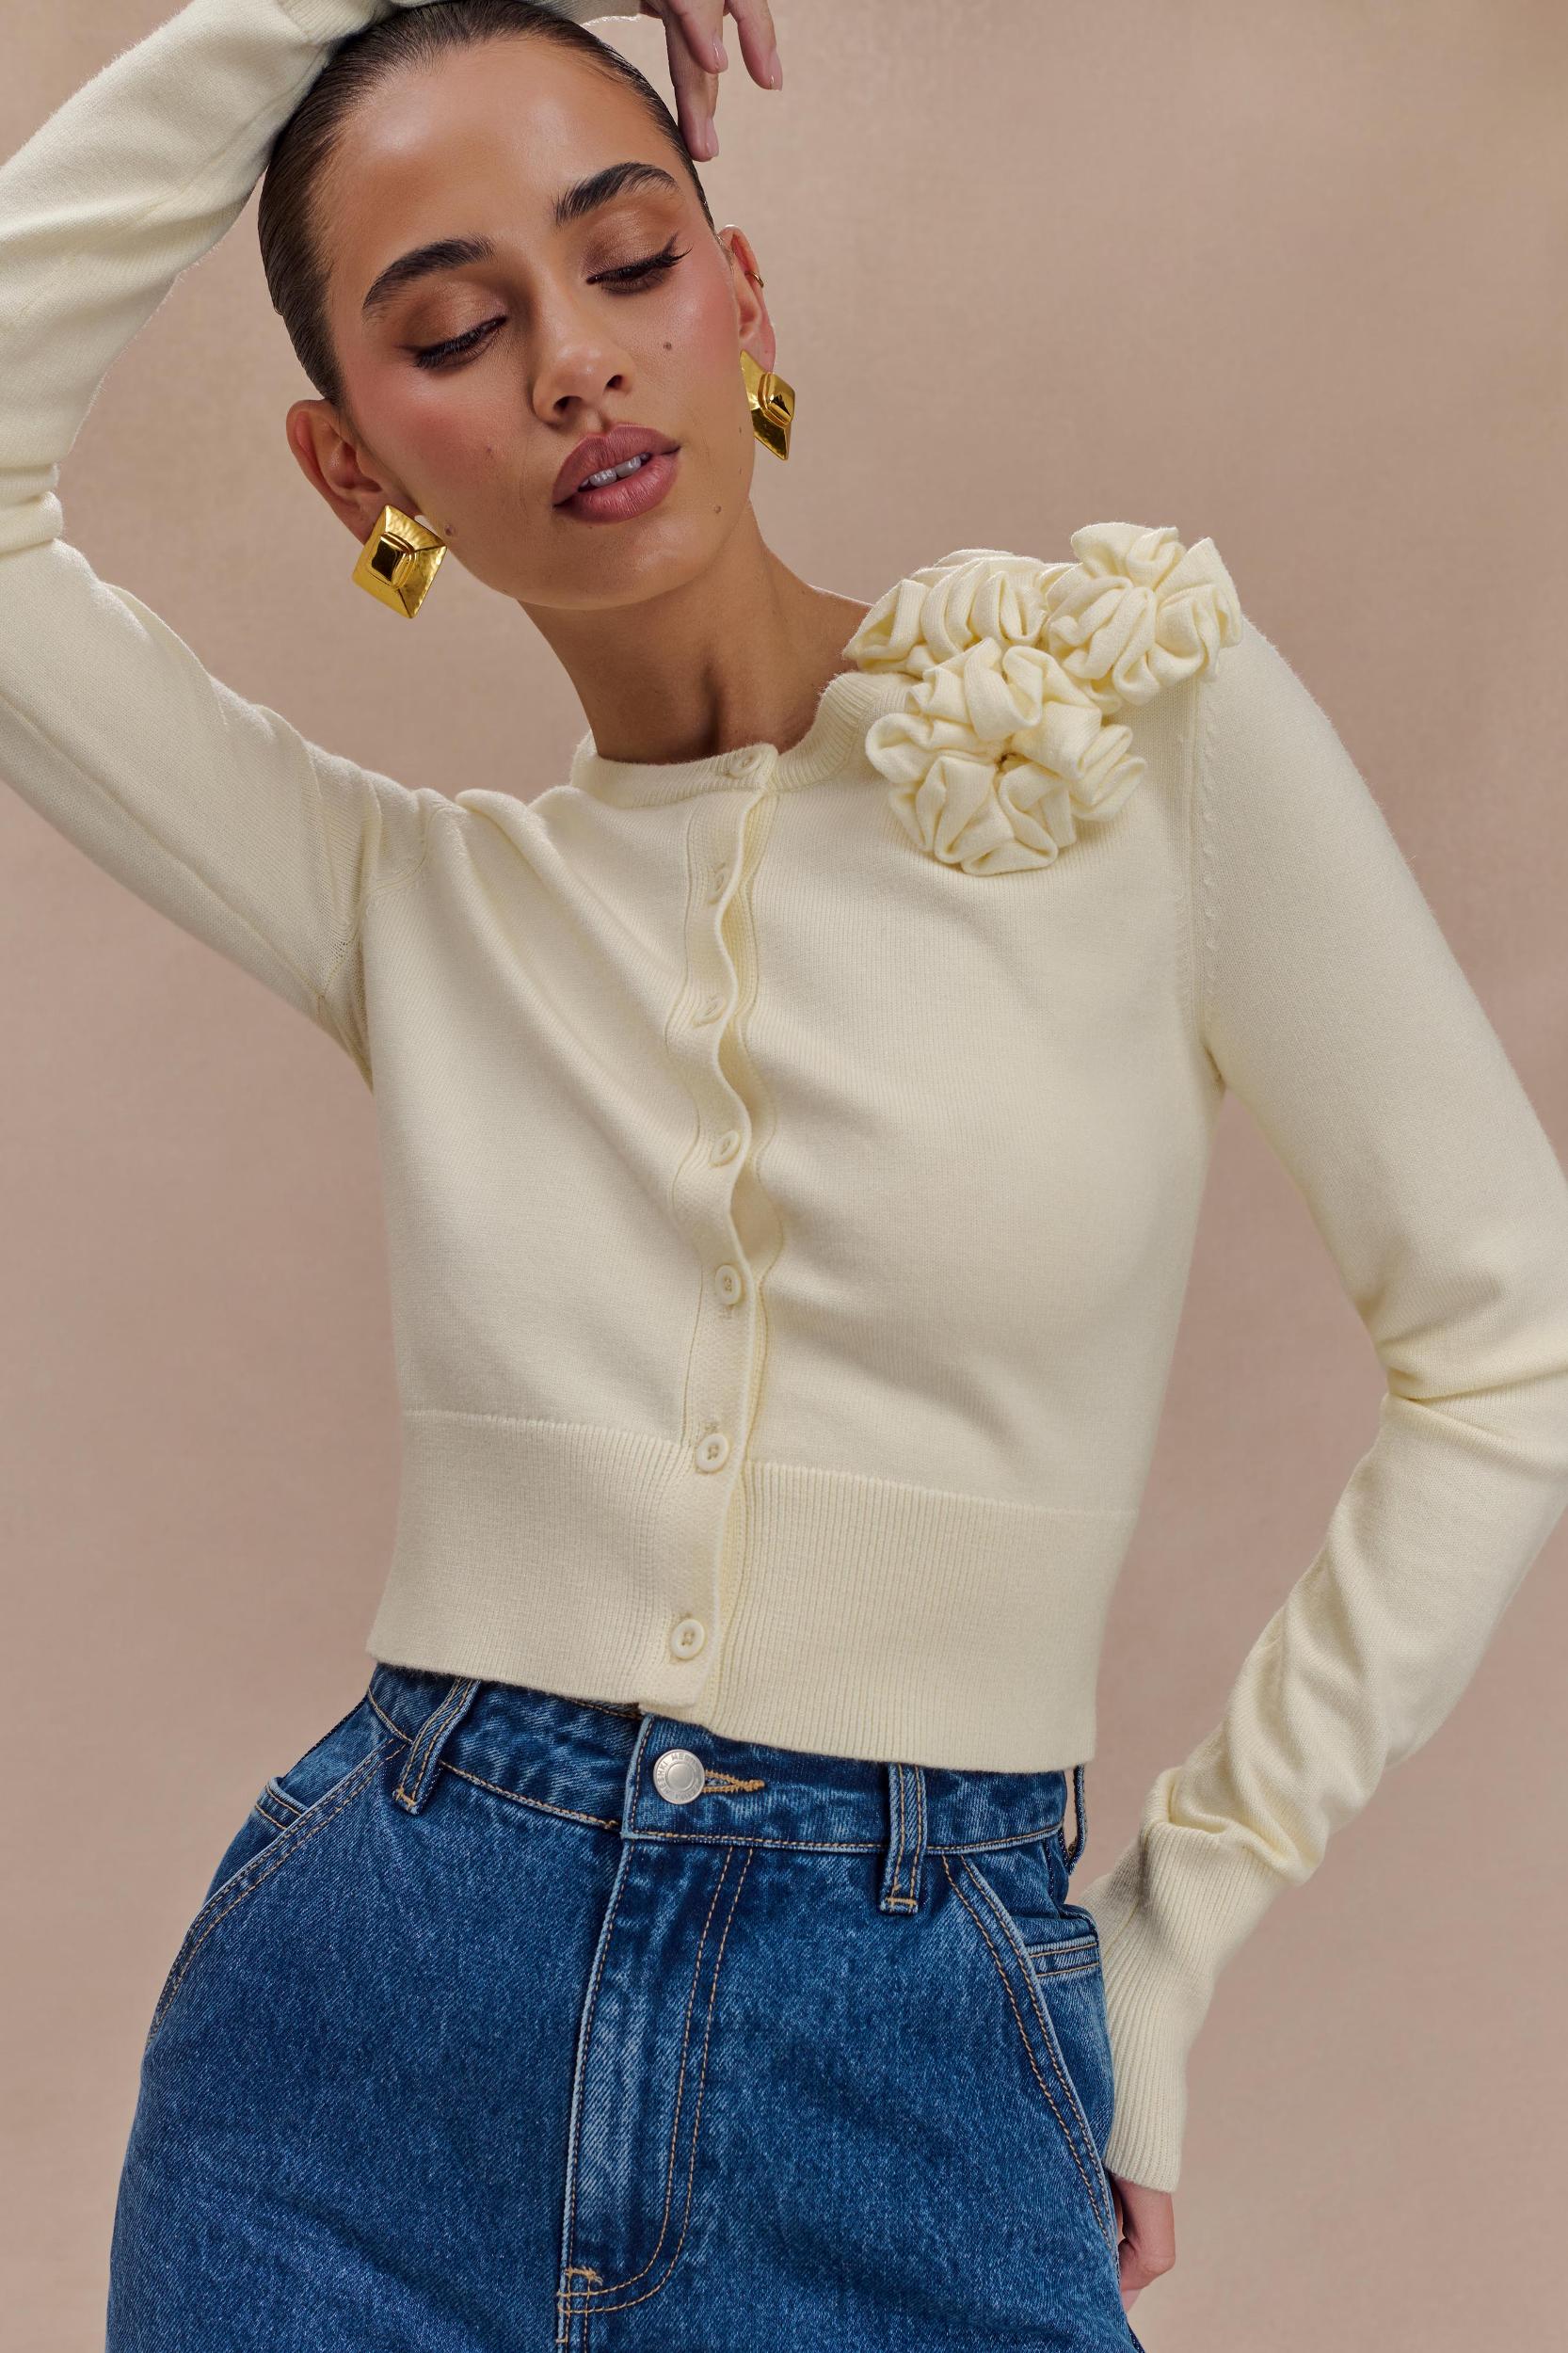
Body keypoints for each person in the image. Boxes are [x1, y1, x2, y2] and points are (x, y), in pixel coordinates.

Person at [3, 4, 1566, 2346]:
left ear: (745, 298)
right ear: (353, 472)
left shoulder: (1133, 726)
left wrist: (1170, 1927)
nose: (572, 364)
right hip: (349, 2068)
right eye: (453, 329)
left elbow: (1504, 1341)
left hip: (917, 2051)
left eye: (629, 260)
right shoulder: (417, 906)